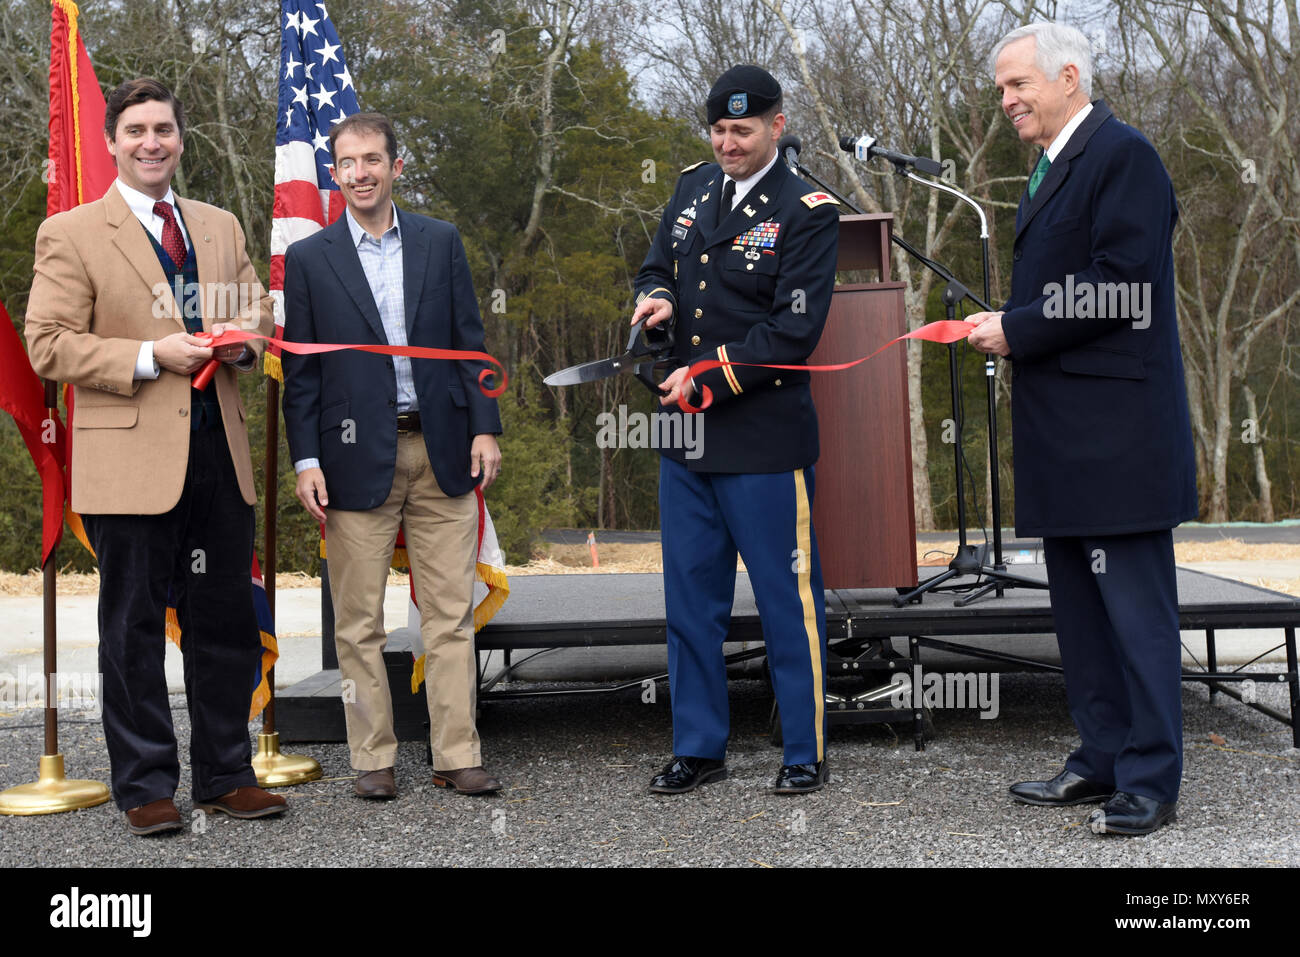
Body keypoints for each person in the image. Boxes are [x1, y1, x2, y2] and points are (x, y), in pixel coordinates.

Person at [25, 77, 286, 835]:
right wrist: (148, 353)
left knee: (226, 623)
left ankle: (227, 773)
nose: (151, 142)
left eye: (164, 129)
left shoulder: (218, 223)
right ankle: (145, 785)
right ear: (112, 140)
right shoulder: (72, 232)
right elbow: (48, 342)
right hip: (129, 464)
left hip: (219, 454)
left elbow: (256, 309)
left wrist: (248, 334)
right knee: (132, 628)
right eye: (136, 129)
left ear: (180, 138)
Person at [968, 23, 1197, 836]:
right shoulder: (1051, 167)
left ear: (1069, 76)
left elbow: (1120, 286)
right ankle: (1100, 756)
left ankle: (1149, 779)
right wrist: (1011, 324)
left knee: (1134, 615)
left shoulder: (1122, 153)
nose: (1006, 102)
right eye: (1001, 89)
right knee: (1081, 614)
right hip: (1063, 439)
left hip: (1119, 440)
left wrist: (1016, 327)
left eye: (1017, 85)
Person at [281, 113, 504, 799]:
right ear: (335, 173)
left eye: (372, 159)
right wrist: (306, 460)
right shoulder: (312, 259)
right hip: (352, 464)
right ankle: (372, 757)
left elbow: (472, 343)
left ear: (395, 166)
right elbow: (303, 375)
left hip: (443, 454)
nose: (360, 173)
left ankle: (456, 752)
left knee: (448, 617)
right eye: (346, 163)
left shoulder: (441, 242)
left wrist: (485, 426)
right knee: (359, 625)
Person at [633, 65, 841, 795]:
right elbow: (656, 266)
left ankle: (803, 750)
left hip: (761, 436)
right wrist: (654, 299)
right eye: (718, 129)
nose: (727, 142)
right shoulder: (692, 188)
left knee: (787, 600)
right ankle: (698, 745)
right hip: (685, 438)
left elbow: (794, 329)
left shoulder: (809, 208)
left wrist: (707, 375)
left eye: (742, 131)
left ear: (777, 127)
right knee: (692, 600)